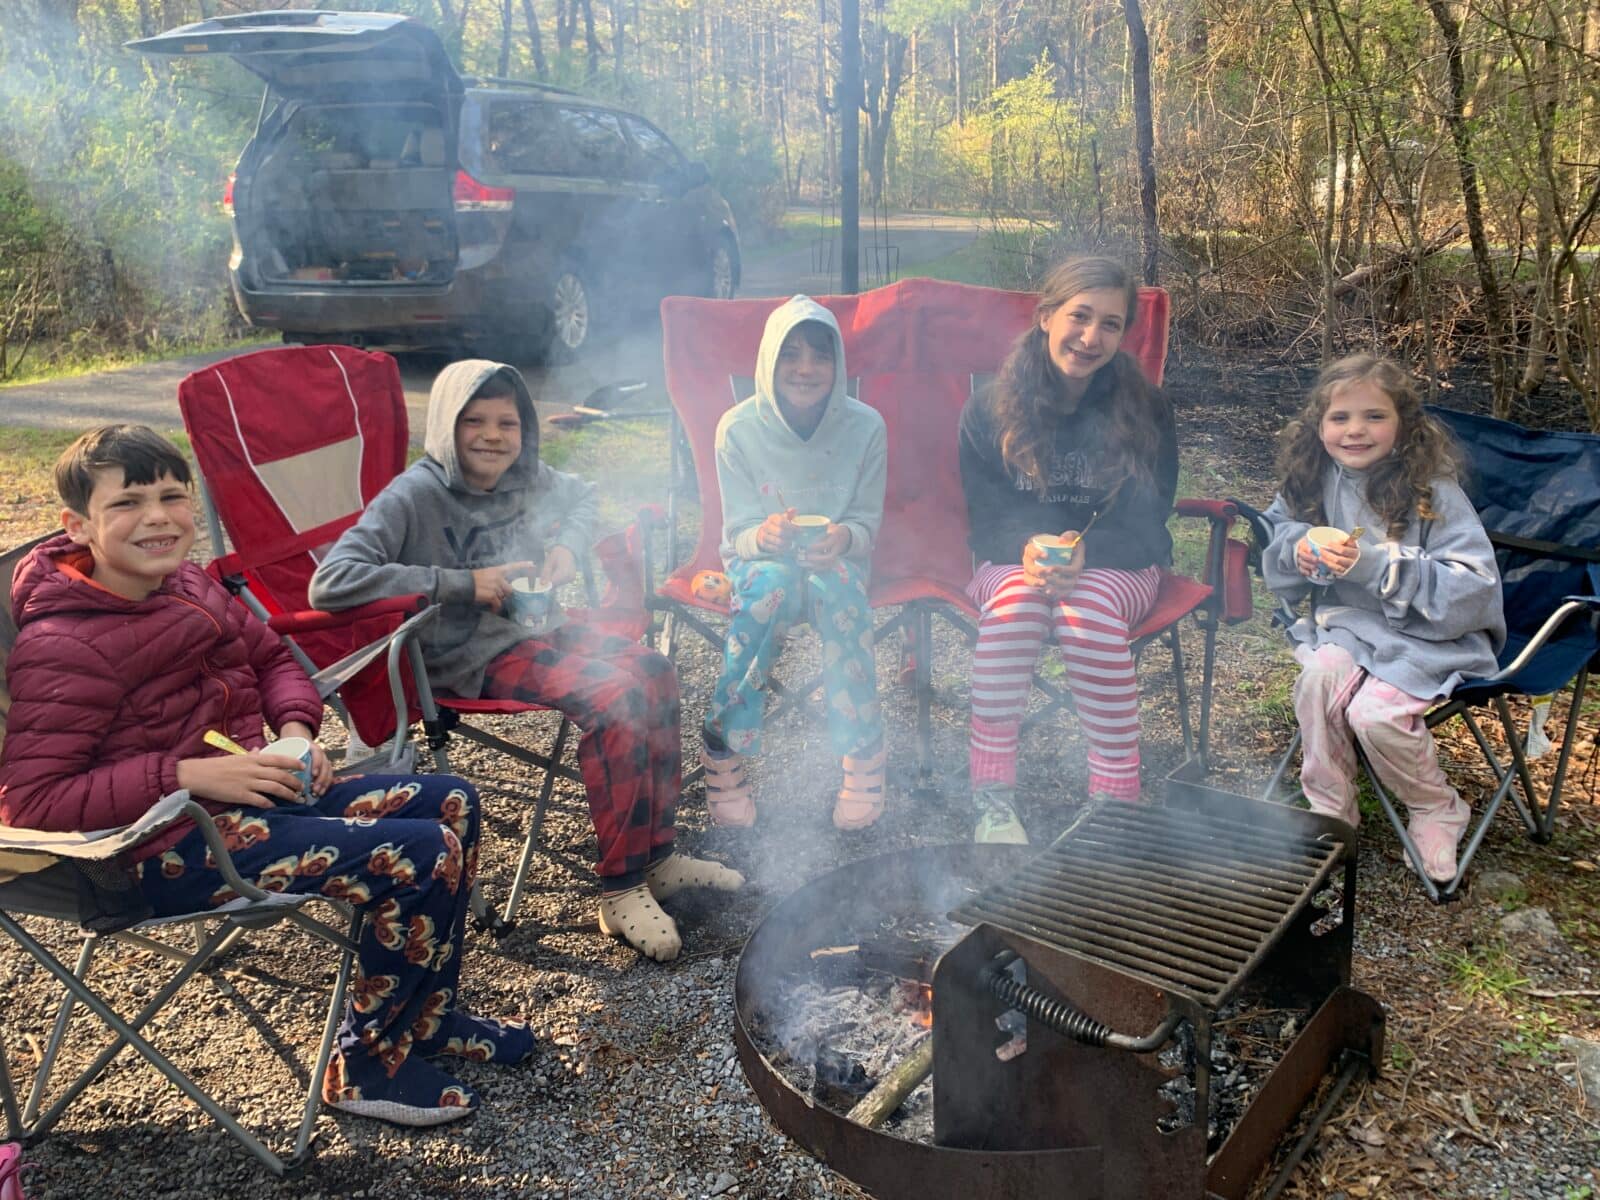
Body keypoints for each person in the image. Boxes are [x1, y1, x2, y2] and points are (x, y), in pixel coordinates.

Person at [0, 425, 522, 1128]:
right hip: (163, 848)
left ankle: (428, 1018)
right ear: (78, 526)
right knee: (420, 852)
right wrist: (186, 774)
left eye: (171, 496)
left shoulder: (187, 582)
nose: (156, 517)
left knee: (452, 799)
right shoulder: (63, 642)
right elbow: (33, 800)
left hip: (255, 799)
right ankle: (364, 1067)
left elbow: (273, 658)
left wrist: (298, 734)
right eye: (127, 503)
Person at [309, 361, 742, 962]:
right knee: (613, 696)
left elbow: (585, 495)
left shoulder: (524, 475)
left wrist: (566, 545)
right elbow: (330, 583)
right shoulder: (414, 495)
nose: (493, 436)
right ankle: (619, 888)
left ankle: (658, 854)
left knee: (655, 672)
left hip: (534, 629)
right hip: (464, 654)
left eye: (507, 423)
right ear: (445, 426)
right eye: (475, 421)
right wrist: (457, 583)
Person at [1262, 354, 1504, 883]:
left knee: (1375, 715)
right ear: (1318, 425)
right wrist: (1298, 549)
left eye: (1374, 416)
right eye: (1340, 417)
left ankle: (1435, 806)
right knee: (1317, 683)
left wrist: (1377, 566)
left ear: (1404, 425)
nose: (1355, 431)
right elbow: (1277, 537)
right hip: (1352, 626)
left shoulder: (1431, 490)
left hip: (1431, 638)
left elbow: (1475, 587)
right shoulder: (1310, 481)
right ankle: (1331, 809)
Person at [958, 256, 1176, 844]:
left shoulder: (1145, 408)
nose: (1091, 336)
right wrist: (1028, 545)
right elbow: (984, 520)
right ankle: (993, 796)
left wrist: (1089, 551)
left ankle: (1113, 798)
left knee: (1083, 612)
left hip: (1119, 562)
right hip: (1011, 559)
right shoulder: (989, 407)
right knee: (1014, 611)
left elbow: (1148, 518)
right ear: (1047, 315)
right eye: (1079, 316)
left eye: (1110, 323)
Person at [701, 296, 889, 829]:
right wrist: (763, 534)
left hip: (836, 561)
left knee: (837, 593)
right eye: (791, 354)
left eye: (820, 356)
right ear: (768, 362)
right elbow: (736, 534)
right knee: (768, 590)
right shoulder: (736, 429)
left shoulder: (867, 427)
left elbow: (867, 525)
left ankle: (862, 751)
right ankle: (723, 747)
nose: (806, 369)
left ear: (839, 366)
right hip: (764, 563)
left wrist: (843, 537)